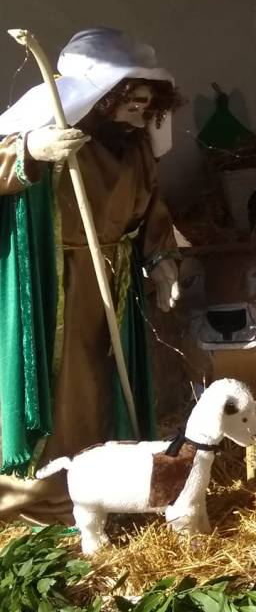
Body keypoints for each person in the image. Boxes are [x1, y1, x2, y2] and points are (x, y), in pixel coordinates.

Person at [0, 28, 182, 524]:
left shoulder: (137, 147)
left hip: (116, 282)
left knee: (107, 379)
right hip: (52, 282)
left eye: (148, 104)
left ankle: (109, 487)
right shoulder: (46, 130)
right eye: (132, 102)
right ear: (102, 98)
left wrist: (161, 259)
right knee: (65, 388)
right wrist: (30, 150)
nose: (141, 113)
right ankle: (44, 498)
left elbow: (151, 211)